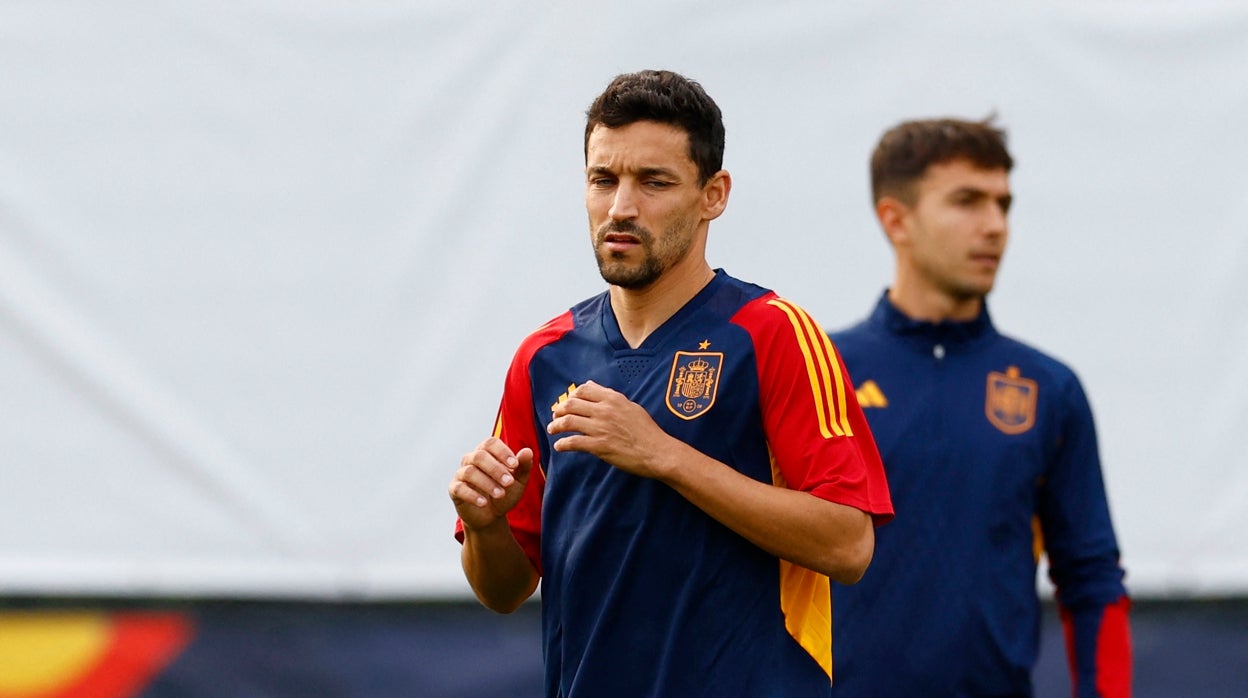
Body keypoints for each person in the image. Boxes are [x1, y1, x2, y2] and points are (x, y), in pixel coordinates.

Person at [448, 69, 893, 697]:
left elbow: (850, 545)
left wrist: (664, 455)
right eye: (603, 180)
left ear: (714, 194)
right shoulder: (542, 356)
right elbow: (505, 589)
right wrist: (487, 524)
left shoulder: (773, 334)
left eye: (654, 182)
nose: (621, 207)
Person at [827, 117, 1132, 697]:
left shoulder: (1050, 389)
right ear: (896, 220)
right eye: (967, 201)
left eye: (1003, 205)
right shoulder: (822, 373)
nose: (994, 227)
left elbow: (1092, 580)